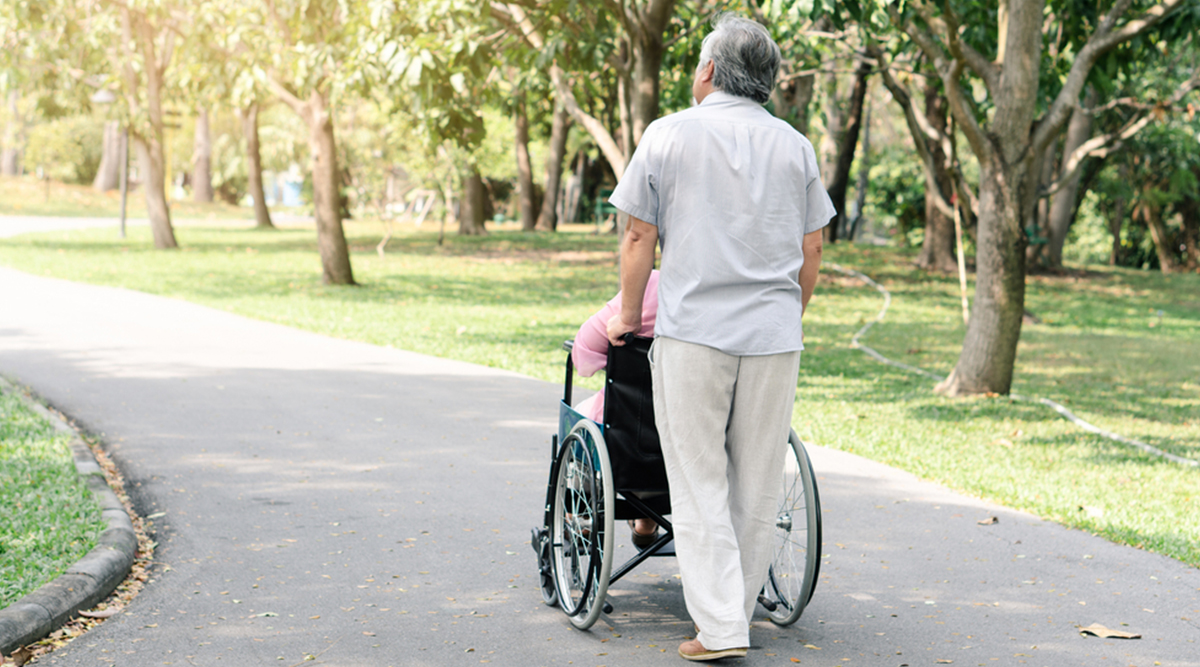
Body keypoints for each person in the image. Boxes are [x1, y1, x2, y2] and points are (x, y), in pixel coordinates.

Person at [605, 13, 834, 663]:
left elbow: (637, 235)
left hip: (695, 333)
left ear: (707, 70)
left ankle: (721, 627)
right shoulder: (795, 146)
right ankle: (731, 614)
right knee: (756, 480)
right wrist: (791, 314)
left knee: (700, 476)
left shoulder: (669, 134)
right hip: (772, 335)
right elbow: (811, 247)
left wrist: (627, 313)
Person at [572, 270, 661, 547]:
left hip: (632, 442)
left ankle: (583, 514)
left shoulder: (650, 288)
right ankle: (647, 519)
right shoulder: (737, 293)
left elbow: (583, 354)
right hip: (706, 441)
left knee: (583, 417)